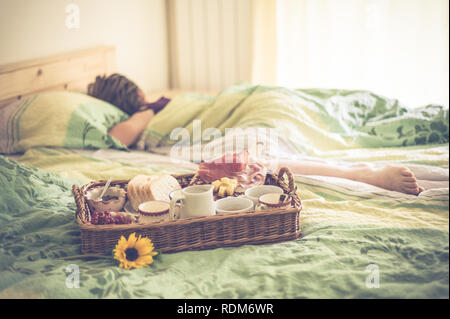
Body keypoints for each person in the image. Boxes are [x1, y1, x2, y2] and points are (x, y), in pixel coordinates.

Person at [87, 74, 424, 195]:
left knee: (257, 161)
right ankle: (360, 172)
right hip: (251, 113)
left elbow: (120, 135)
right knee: (258, 159)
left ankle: (362, 175)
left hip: (244, 120)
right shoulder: (165, 100)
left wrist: (137, 111)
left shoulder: (151, 108)